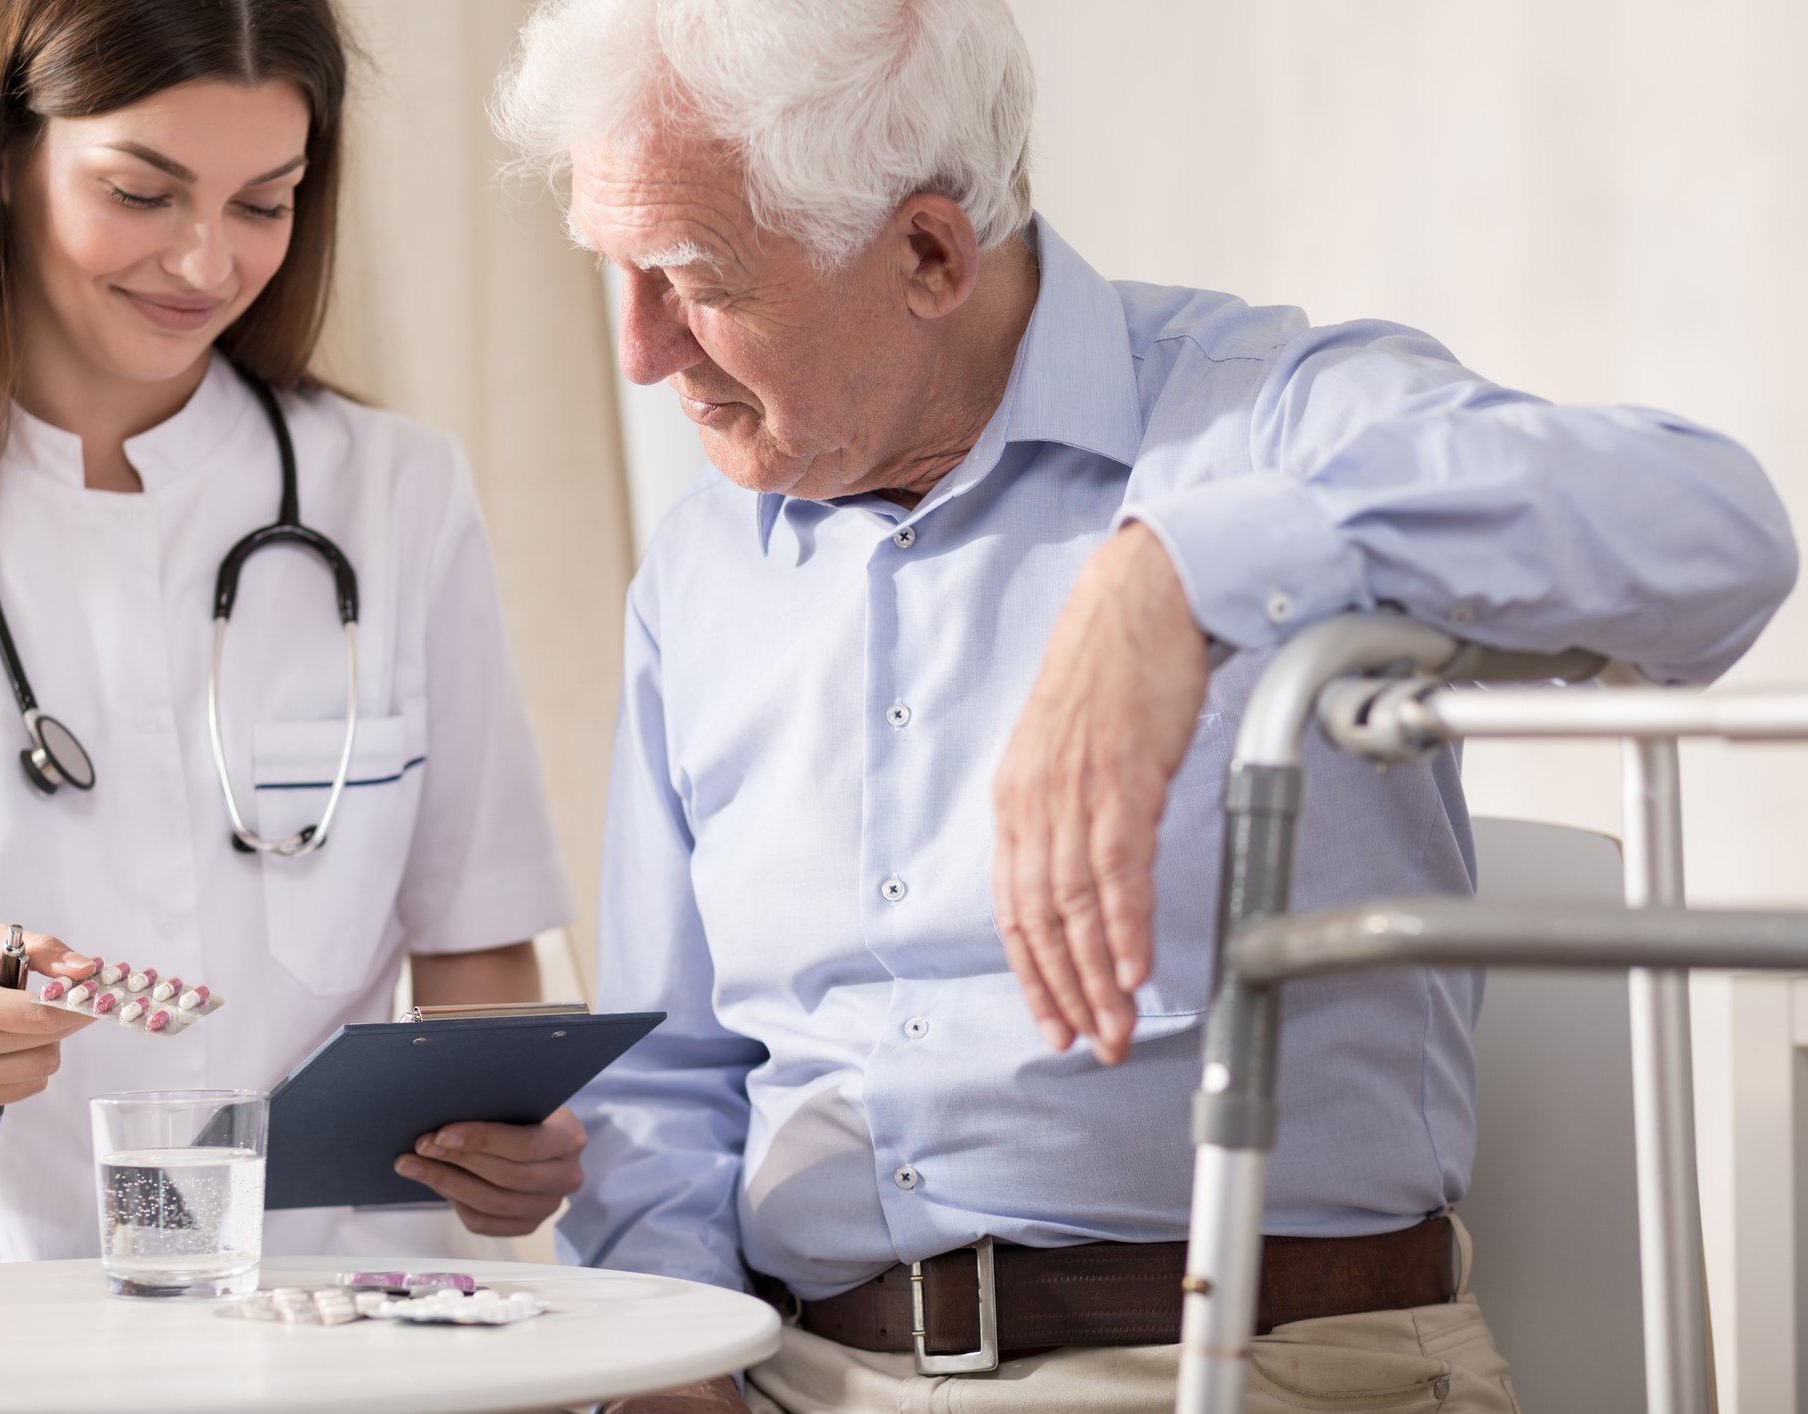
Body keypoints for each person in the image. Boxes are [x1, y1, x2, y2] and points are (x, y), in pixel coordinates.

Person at [491, 1, 1798, 1410]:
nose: (637, 352)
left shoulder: (1266, 423)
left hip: (1235, 1365)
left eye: (693, 279)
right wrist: (673, 1362)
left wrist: (1195, 567)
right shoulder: (700, 568)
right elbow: (670, 1074)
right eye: (615, 275)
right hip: (791, 1373)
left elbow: (1717, 537)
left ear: (930, 251)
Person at [0, 0, 585, 1273]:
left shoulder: (397, 497)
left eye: (264, 202)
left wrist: (509, 1147)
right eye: (141, 192)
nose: (207, 263)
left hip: (334, 1302)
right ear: (6, 158)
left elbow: (476, 949)